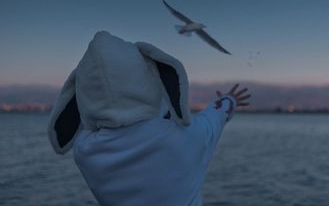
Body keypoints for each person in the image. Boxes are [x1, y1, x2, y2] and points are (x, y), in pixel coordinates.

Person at [48, 31, 251, 206]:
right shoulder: (181, 138)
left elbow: (91, 117)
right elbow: (212, 119)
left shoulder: (84, 152)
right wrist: (229, 100)